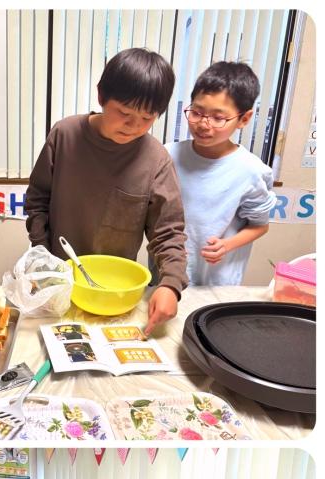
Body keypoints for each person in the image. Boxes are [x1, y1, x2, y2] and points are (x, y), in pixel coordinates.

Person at [25, 48, 188, 336]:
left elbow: (168, 232)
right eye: (124, 113)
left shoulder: (156, 160)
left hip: (114, 293)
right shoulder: (65, 135)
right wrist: (43, 255)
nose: (134, 126)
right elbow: (38, 201)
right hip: (58, 283)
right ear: (101, 95)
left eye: (147, 118)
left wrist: (171, 284)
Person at [167, 61, 276, 285]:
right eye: (196, 112)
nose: (203, 124)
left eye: (218, 118)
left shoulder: (251, 170)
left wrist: (227, 245)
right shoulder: (168, 156)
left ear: (244, 119)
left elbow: (260, 225)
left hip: (218, 283)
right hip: (168, 276)